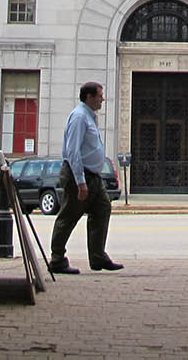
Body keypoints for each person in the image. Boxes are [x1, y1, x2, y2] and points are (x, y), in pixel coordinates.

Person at [49, 81, 121, 273]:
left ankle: (97, 257)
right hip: (79, 177)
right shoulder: (79, 117)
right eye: (100, 95)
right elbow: (72, 151)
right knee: (69, 216)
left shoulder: (90, 117)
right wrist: (81, 182)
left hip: (94, 176)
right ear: (89, 97)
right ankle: (57, 260)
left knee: (103, 209)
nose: (103, 99)